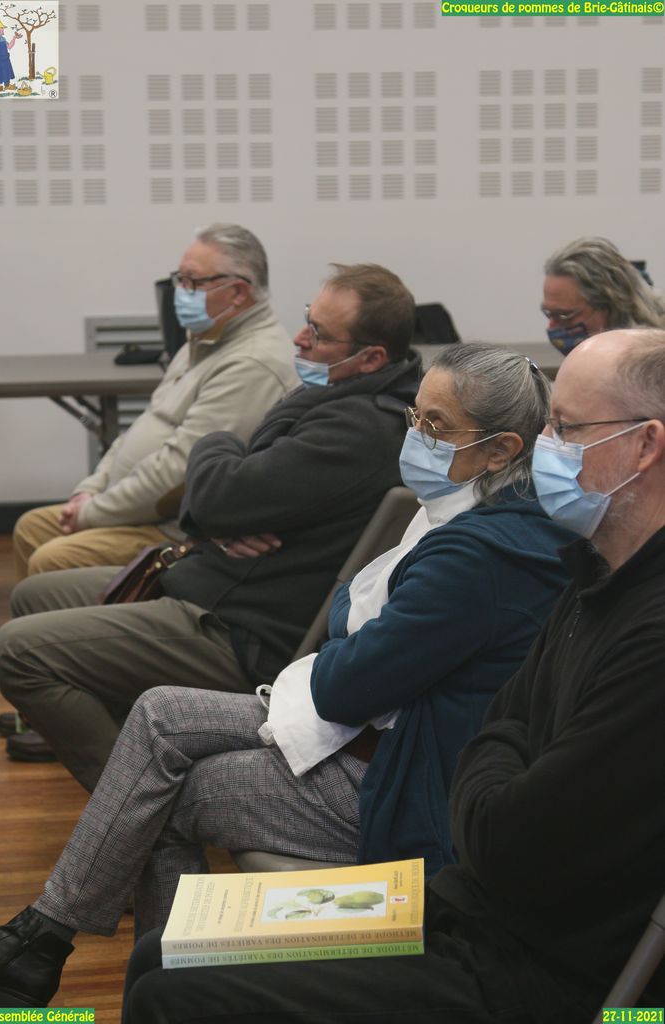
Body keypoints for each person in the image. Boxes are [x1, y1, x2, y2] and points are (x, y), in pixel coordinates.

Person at [0, 343, 577, 1010]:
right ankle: (52, 942)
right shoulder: (472, 506)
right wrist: (358, 623)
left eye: (435, 426)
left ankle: (122, 969)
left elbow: (347, 671)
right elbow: (351, 612)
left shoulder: (479, 553)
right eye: (415, 416)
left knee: (167, 784)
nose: (415, 435)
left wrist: (356, 624)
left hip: (407, 775)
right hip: (382, 732)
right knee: (158, 715)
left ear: (500, 450)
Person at [112, 326, 665, 1024]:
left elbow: (507, 836)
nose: (546, 445)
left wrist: (494, 758)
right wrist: (500, 755)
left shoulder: (647, 630)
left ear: (645, 445)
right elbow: (504, 727)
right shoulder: (595, 573)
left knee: (172, 988)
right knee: (161, 955)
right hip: (474, 909)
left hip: (531, 963)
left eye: (565, 427)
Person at [0, 263, 421, 787]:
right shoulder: (334, 397)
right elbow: (222, 504)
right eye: (308, 318)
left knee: (18, 652)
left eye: (320, 333)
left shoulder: (359, 427)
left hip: (241, 629)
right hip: (215, 581)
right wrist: (224, 511)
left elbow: (218, 495)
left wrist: (215, 445)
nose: (300, 337)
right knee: (34, 595)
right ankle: (148, 752)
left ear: (371, 358)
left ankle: (145, 807)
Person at [11, 222, 297, 582]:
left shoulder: (252, 362)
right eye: (180, 279)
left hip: (176, 527)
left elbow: (178, 475)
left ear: (238, 292)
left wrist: (92, 513)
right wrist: (90, 490)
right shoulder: (204, 340)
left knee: (53, 558)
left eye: (192, 282)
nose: (181, 292)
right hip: (139, 510)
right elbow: (141, 429)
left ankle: (64, 620)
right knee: (32, 528)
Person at [542, 235, 665, 355]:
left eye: (564, 316)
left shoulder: (654, 362)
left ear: (611, 306)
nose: (552, 327)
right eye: (548, 313)